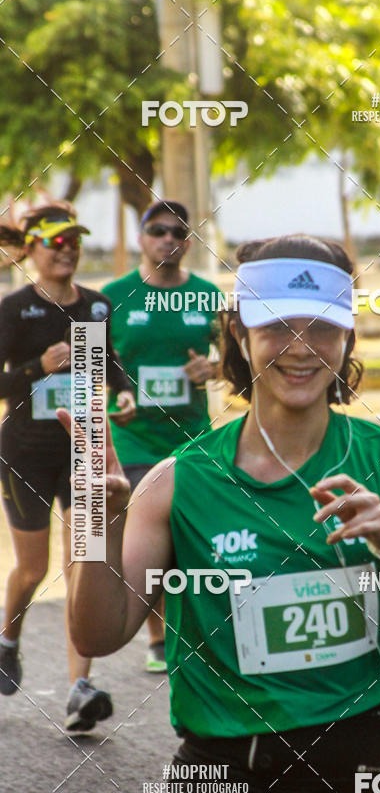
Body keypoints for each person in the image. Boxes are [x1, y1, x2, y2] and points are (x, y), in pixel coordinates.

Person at [61, 234, 380, 793]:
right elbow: (97, 634)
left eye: (323, 326)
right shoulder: (178, 483)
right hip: (227, 785)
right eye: (278, 327)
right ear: (238, 335)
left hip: (360, 787)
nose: (301, 347)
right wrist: (96, 522)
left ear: (349, 337)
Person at [0, 201, 136, 733]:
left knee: (84, 558)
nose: (69, 250)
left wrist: (123, 394)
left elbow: (109, 365)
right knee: (33, 569)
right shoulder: (15, 310)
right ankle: (8, 639)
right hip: (26, 450)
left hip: (82, 448)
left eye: (75, 240)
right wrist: (39, 367)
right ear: (32, 249)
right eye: (57, 242)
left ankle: (81, 686)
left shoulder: (97, 307)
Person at [102, 200, 220, 673]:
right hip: (132, 441)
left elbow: (238, 358)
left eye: (176, 233)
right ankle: (156, 638)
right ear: (141, 239)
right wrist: (114, 403)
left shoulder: (208, 295)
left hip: (191, 438)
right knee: (149, 538)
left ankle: (192, 632)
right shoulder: (111, 297)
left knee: (192, 538)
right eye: (157, 231)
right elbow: (91, 367)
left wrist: (213, 368)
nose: (167, 239)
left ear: (187, 244)